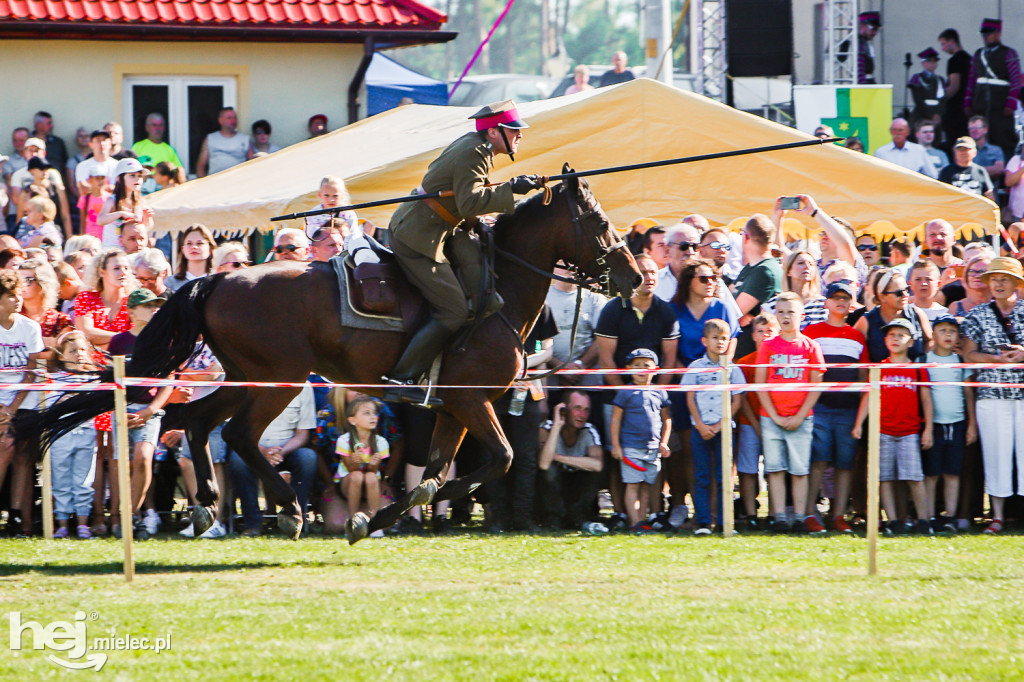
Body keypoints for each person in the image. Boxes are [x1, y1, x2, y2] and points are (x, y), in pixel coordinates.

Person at [383, 100, 541, 406]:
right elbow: (470, 202)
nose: (519, 136)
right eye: (513, 130)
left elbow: (466, 201)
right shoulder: (474, 152)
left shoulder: (475, 147)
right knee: (453, 310)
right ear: (494, 133)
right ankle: (401, 378)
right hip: (418, 235)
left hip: (436, 225)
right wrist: (512, 190)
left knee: (480, 266)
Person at [852, 318, 934, 536]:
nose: (895, 339)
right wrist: (859, 423)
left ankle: (924, 520)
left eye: (901, 335)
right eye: (891, 335)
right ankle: (893, 520)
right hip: (883, 431)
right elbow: (869, 397)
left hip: (909, 432)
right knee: (885, 478)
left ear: (910, 342)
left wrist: (929, 429)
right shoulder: (879, 368)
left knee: (914, 477)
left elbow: (926, 400)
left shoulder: (917, 369)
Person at [961, 257, 1024, 535]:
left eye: (1004, 279)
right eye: (994, 279)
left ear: (1015, 283)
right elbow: (968, 353)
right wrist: (997, 359)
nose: (998, 284)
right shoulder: (978, 314)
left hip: (1022, 395)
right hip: (991, 395)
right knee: (995, 456)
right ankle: (997, 516)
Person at [755, 292, 826, 535]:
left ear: (801, 316)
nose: (786, 316)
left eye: (791, 312)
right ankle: (779, 517)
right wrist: (774, 415)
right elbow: (760, 383)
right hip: (771, 417)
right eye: (781, 312)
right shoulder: (768, 346)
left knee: (799, 470)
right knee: (774, 469)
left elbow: (816, 384)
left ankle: (798, 516)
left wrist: (799, 415)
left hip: (802, 417)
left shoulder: (811, 346)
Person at [107, 287, 173, 540]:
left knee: (144, 458)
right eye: (148, 305)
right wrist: (120, 408)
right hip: (121, 410)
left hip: (149, 411)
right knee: (121, 465)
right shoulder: (119, 342)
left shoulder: (163, 340)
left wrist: (150, 410)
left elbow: (169, 380)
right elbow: (112, 380)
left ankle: (132, 516)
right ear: (131, 311)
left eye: (157, 305)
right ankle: (121, 517)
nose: (155, 309)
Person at [802, 282, 867, 534]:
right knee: (818, 462)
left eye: (845, 298)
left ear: (852, 304)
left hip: (848, 410)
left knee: (845, 464)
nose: (840, 301)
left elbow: (863, 376)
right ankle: (809, 512)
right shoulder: (812, 331)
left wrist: (860, 415)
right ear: (826, 302)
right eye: (835, 297)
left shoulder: (857, 335)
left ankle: (838, 515)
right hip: (819, 407)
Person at [230, 384, 318, 537]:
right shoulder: (248, 382)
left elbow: (303, 434)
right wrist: (262, 451)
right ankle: (253, 524)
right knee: (238, 460)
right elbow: (239, 429)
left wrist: (281, 452)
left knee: (308, 458)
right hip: (252, 448)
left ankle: (295, 520)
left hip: (287, 450)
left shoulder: (304, 386)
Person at [682, 319, 744, 535]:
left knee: (724, 476)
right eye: (715, 338)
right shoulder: (695, 368)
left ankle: (724, 521)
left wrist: (720, 425)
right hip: (700, 430)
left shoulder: (732, 368)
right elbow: (690, 398)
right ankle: (702, 522)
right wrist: (700, 425)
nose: (720, 342)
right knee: (701, 476)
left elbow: (737, 400)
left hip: (724, 429)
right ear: (705, 341)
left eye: (724, 338)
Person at [0, 269, 45, 537]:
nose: (17, 300)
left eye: (18, 295)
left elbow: (32, 370)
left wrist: (12, 408)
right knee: (4, 448)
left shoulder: (30, 327)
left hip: (24, 401)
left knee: (24, 457)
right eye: (9, 296)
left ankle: (18, 517)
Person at [922, 314, 976, 534]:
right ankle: (929, 516)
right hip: (933, 425)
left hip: (958, 423)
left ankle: (951, 517)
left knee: (952, 473)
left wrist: (972, 424)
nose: (947, 335)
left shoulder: (960, 361)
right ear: (933, 334)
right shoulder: (924, 360)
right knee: (932, 473)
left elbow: (968, 393)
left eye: (952, 331)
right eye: (942, 330)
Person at [609, 348, 671, 532]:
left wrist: (664, 442)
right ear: (628, 369)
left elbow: (666, 419)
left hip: (652, 448)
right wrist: (616, 445)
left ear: (656, 369)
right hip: (630, 448)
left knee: (646, 486)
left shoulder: (660, 392)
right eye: (637, 365)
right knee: (632, 485)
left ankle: (641, 522)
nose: (642, 369)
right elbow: (616, 419)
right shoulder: (625, 392)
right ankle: (634, 522)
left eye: (646, 365)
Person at [47, 330, 98, 539]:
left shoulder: (94, 377)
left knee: (84, 480)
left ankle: (83, 523)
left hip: (86, 433)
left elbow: (94, 404)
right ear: (61, 355)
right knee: (60, 479)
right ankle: (61, 524)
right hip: (61, 435)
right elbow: (50, 404)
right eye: (73, 350)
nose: (79, 354)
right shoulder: (52, 378)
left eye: (83, 350)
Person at [537, 391, 605, 533]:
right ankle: (553, 519)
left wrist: (559, 457)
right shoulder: (547, 428)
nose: (582, 415)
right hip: (551, 488)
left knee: (593, 473)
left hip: (576, 485)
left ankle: (579, 517)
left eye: (586, 410)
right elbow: (543, 463)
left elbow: (598, 465)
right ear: (564, 409)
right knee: (549, 471)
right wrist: (557, 425)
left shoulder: (589, 430)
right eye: (577, 408)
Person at [733, 313, 777, 528]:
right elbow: (741, 399)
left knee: (774, 469)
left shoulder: (780, 362)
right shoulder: (744, 363)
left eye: (770, 331)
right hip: (749, 423)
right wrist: (756, 424)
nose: (765, 335)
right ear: (753, 335)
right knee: (748, 469)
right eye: (760, 331)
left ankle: (774, 513)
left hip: (775, 422)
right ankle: (750, 513)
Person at [964, 18, 1022, 159]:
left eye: (989, 33)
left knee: (1003, 138)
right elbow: (972, 79)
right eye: (983, 34)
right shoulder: (979, 54)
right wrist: (967, 101)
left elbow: (1015, 80)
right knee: (981, 137)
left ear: (997, 34)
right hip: (981, 103)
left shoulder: (1009, 53)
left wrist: (1011, 102)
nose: (985, 37)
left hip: (1001, 105)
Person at [335, 395, 389, 530]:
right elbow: (351, 469)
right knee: (357, 476)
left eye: (374, 413)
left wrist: (373, 465)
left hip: (370, 485)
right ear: (352, 420)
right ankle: (353, 521)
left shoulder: (381, 442)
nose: (373, 417)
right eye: (367, 413)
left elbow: (373, 472)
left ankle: (375, 522)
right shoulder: (344, 441)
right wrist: (355, 463)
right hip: (348, 483)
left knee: (371, 477)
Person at [731, 214, 782, 355]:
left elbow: (732, 312)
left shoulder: (765, 271)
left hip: (757, 355)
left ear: (746, 237)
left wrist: (740, 315)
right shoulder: (752, 267)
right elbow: (728, 298)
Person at [854, 268, 932, 362]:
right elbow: (855, 349)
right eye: (898, 293)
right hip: (879, 376)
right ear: (882, 297)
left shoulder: (917, 314)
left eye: (906, 290)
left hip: (914, 375)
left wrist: (923, 361)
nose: (905, 295)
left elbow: (930, 341)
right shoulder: (867, 321)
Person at [96, 158, 153, 249]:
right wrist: (120, 214)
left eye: (140, 175)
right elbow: (100, 220)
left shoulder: (140, 201)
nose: (137, 179)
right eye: (132, 175)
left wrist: (147, 218)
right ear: (119, 178)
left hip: (133, 251)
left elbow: (147, 228)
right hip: (112, 251)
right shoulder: (112, 200)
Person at [17, 258, 70, 351]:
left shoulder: (61, 320)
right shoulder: (9, 317)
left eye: (27, 280)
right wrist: (44, 342)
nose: (21, 285)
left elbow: (65, 353)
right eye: (18, 280)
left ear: (43, 283)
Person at [762, 251, 825, 328]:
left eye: (811, 264)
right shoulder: (773, 305)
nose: (807, 267)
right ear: (789, 271)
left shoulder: (823, 304)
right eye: (801, 263)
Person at [874, 118, 938, 178]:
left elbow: (933, 175)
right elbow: (876, 177)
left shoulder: (919, 150)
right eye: (894, 130)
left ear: (908, 132)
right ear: (890, 131)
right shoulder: (881, 152)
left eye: (900, 130)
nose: (897, 133)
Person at [196, 107, 250, 177]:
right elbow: (201, 166)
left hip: (238, 181)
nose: (233, 120)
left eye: (235, 118)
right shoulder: (210, 138)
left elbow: (252, 163)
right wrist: (203, 183)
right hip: (215, 182)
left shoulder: (244, 139)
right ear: (220, 120)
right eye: (229, 118)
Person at [938, 137, 995, 201]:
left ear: (975, 152)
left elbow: (989, 195)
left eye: (966, 149)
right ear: (954, 152)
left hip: (975, 209)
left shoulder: (980, 171)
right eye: (960, 149)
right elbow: (940, 195)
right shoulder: (946, 172)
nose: (963, 152)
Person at [940, 28, 971, 143]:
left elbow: (954, 86)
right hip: (968, 107)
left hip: (955, 110)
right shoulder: (970, 59)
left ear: (952, 42)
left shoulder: (954, 61)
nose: (942, 48)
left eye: (943, 44)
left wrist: (941, 99)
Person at [165, 223, 214, 292]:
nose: (194, 247)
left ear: (210, 249)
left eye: (199, 243)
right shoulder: (170, 283)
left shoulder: (217, 281)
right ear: (183, 249)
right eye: (189, 243)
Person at [838, 11, 881, 84]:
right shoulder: (850, 44)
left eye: (877, 30)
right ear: (862, 25)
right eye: (873, 29)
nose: (875, 33)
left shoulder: (866, 44)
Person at [908, 48, 946, 127]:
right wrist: (930, 115)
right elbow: (918, 99)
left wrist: (938, 114)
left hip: (936, 116)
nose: (932, 64)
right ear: (923, 63)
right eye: (929, 61)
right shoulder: (917, 78)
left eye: (934, 61)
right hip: (921, 114)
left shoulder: (940, 80)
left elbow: (942, 99)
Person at [948, 253, 993, 318]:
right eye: (972, 271)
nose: (977, 276)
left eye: (982, 272)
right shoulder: (956, 307)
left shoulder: (998, 306)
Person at [74, 130, 117, 196]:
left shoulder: (117, 165)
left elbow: (121, 189)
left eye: (104, 140)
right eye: (98, 140)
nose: (102, 143)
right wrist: (109, 188)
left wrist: (94, 188)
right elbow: (83, 189)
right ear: (90, 144)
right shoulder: (82, 166)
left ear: (110, 143)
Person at [967, 115, 1006, 182]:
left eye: (977, 128)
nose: (973, 130)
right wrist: (989, 170)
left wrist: (973, 171)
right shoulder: (965, 151)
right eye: (971, 128)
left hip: (990, 190)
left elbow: (999, 169)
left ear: (986, 129)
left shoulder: (996, 150)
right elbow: (961, 171)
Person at [77, 166, 111, 241]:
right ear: (90, 180)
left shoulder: (110, 198)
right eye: (97, 178)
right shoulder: (84, 199)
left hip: (106, 237)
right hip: (90, 238)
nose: (100, 181)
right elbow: (82, 222)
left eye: (102, 178)